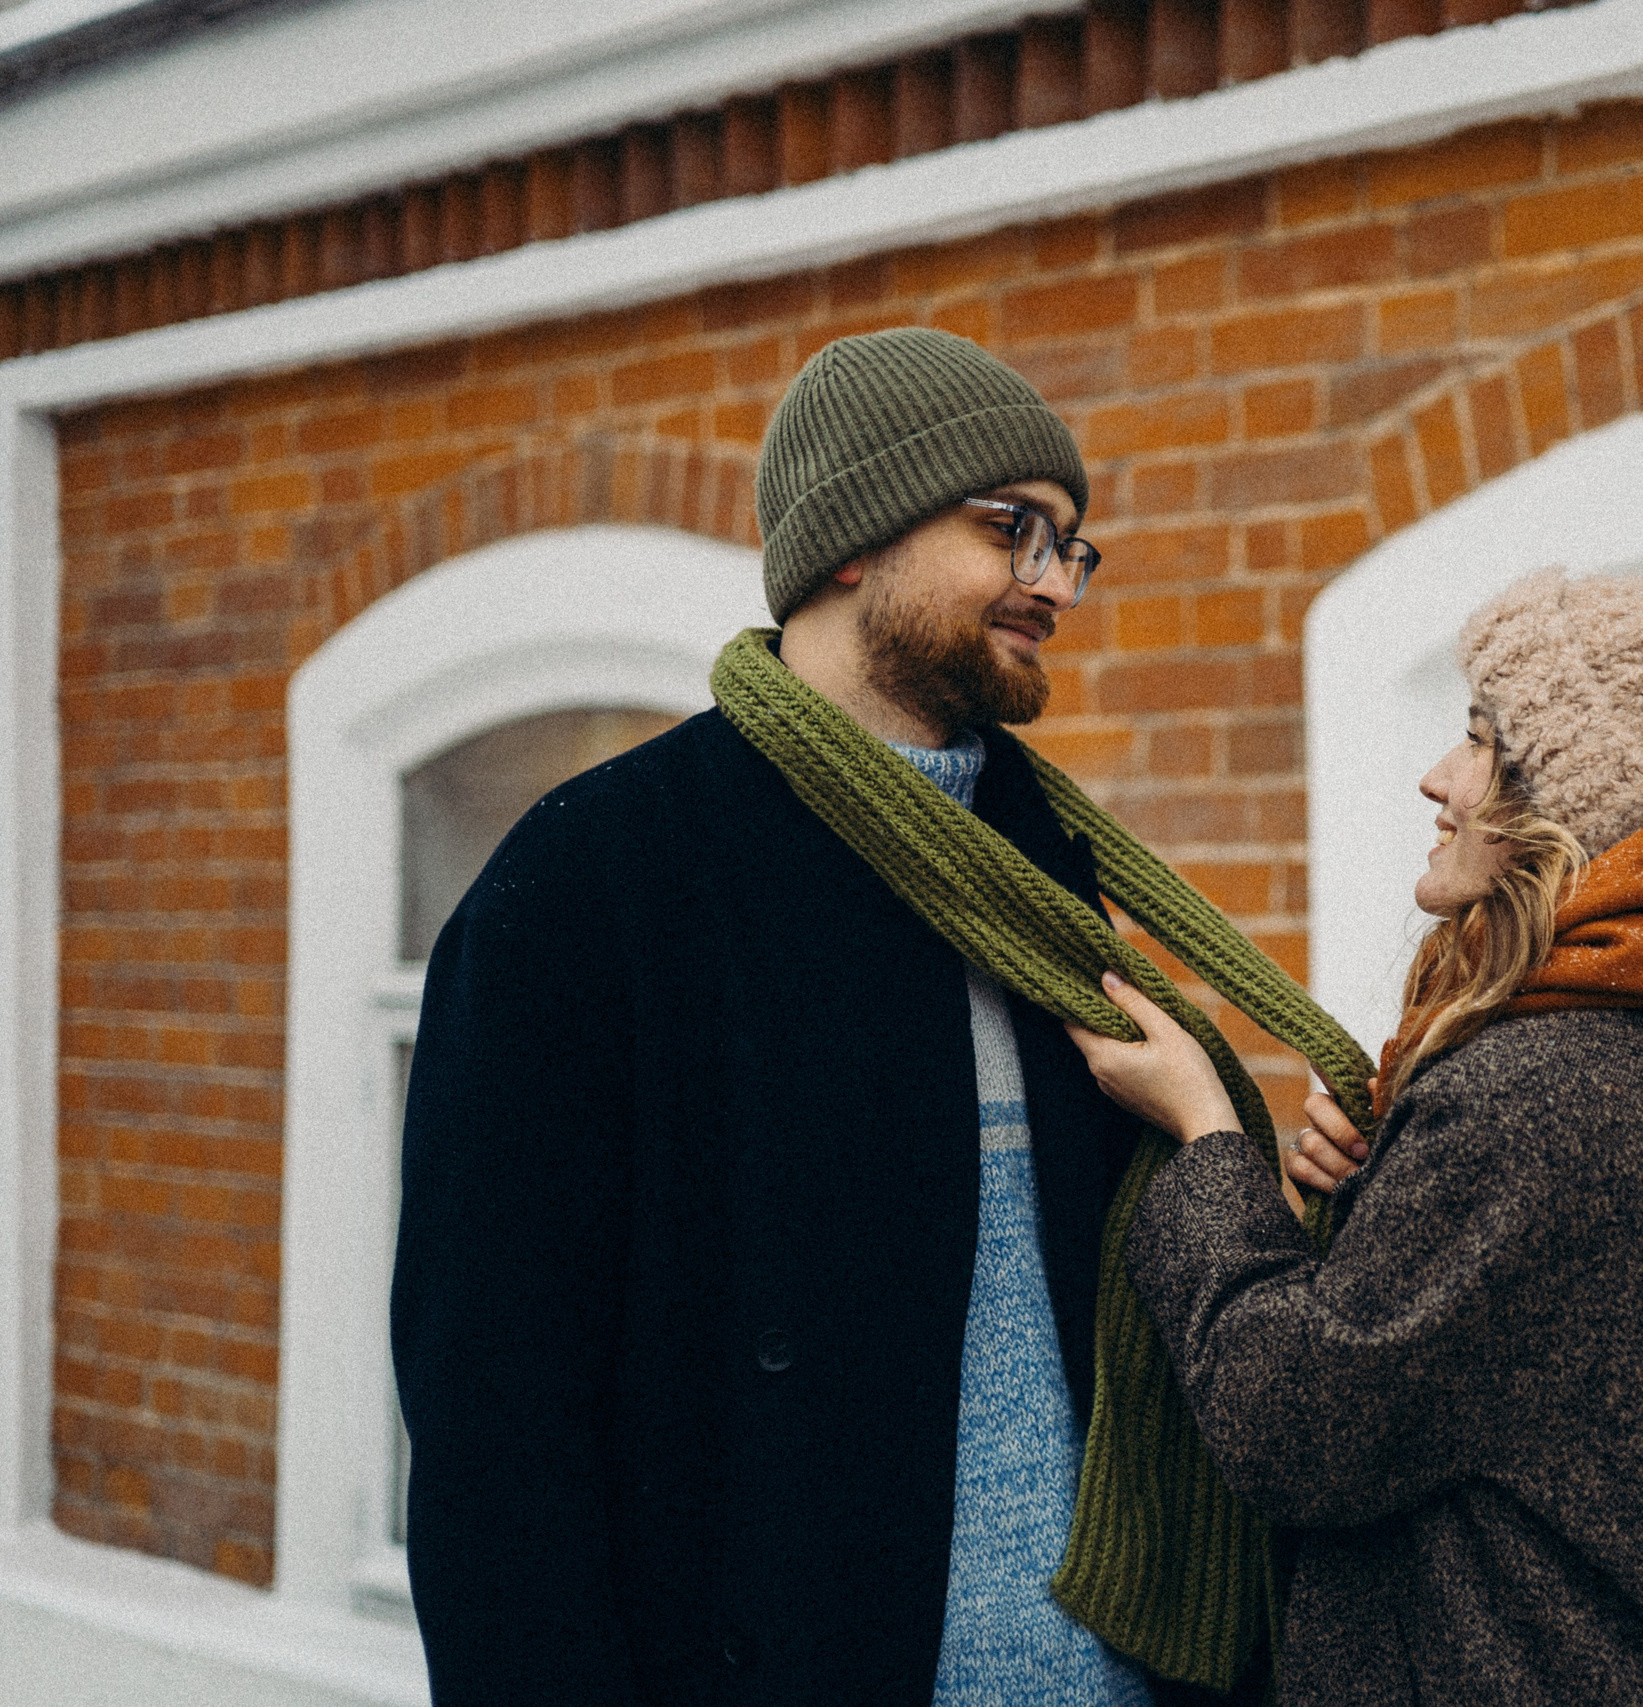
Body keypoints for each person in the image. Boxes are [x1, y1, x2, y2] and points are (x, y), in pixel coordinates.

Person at [391, 327, 1359, 1706]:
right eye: (1011, 529)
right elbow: (496, 1430)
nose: (1054, 583)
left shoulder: (1041, 868)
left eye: (1071, 546)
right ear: (854, 536)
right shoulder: (592, 885)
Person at [1069, 567, 1643, 1706]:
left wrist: (1203, 1133)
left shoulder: (1541, 1092)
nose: (1440, 777)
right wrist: (1386, 1203)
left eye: (1481, 741)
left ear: (1581, 799)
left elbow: (1293, 1423)